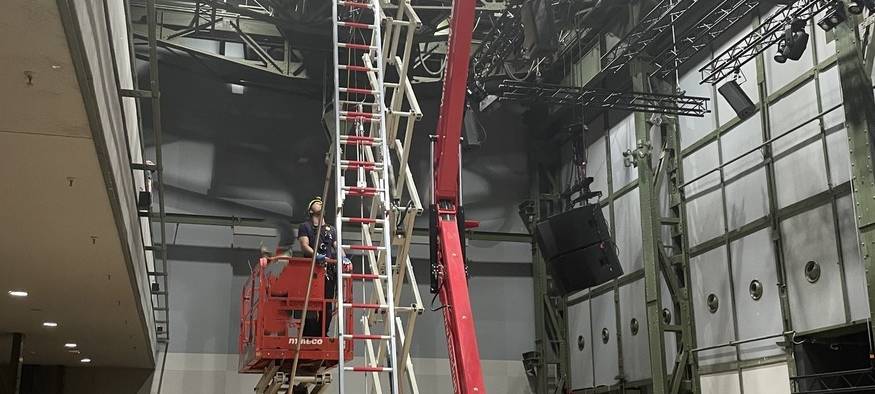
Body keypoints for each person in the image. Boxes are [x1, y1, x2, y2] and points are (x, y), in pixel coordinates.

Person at [297, 197, 350, 337]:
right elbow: (304, 245)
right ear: (310, 210)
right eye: (315, 202)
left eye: (320, 202)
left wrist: (344, 258)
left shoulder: (331, 230)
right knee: (311, 303)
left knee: (327, 305)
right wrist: (316, 256)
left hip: (327, 272)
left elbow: (337, 246)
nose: (319, 202)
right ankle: (309, 333)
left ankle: (323, 333)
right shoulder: (305, 226)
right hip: (311, 271)